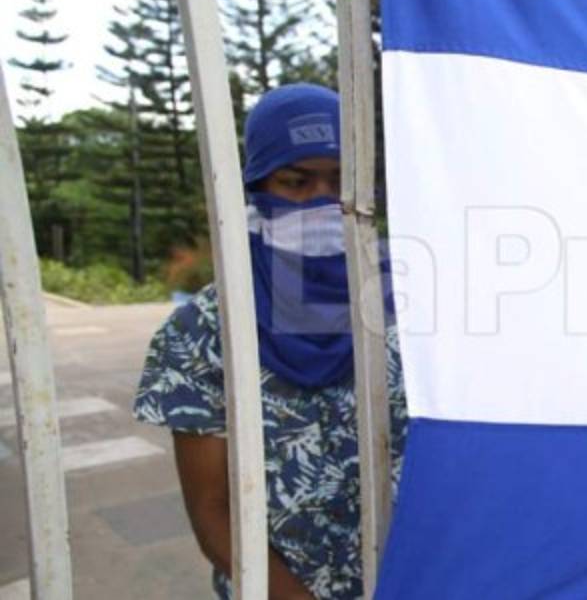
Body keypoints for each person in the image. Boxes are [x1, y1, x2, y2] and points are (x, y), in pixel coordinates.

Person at [133, 83, 406, 600]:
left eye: (340, 180)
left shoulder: (407, 305)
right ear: (257, 186)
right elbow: (214, 513)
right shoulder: (201, 333)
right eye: (296, 181)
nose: (322, 201)